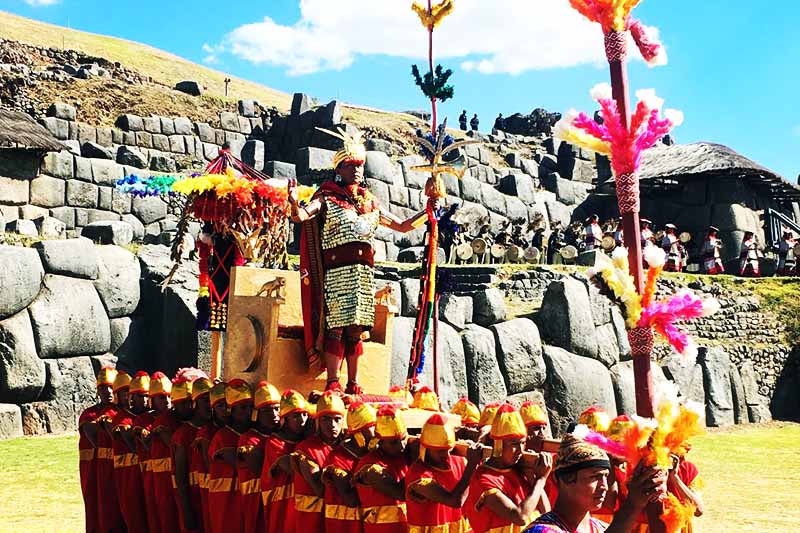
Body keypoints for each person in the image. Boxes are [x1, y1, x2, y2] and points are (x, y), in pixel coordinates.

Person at [290, 127, 431, 395]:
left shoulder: (371, 203)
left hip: (363, 276)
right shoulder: (326, 198)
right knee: (336, 328)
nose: (356, 170)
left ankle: (353, 382)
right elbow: (302, 216)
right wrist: (294, 203)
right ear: (339, 169)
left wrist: (428, 213)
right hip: (336, 273)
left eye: (360, 165)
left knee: (356, 330)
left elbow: (401, 226)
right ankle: (333, 381)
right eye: (350, 165)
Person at [524, 434, 668, 533]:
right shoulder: (541, 530)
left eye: (605, 476)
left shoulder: (601, 528)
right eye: (595, 477)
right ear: (564, 479)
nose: (604, 486)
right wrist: (632, 505)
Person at [465, 404, 552, 533]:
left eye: (523, 443)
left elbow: (547, 514)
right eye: (514, 444)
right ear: (498, 444)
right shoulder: (484, 478)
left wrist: (532, 477)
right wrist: (540, 480)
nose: (520, 450)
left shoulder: (521, 470)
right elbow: (520, 517)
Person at [406, 413, 482, 532]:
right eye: (440, 451)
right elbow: (455, 501)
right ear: (425, 448)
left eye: (448, 449)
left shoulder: (461, 462)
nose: (446, 455)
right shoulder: (418, 475)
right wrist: (472, 464)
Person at [293, 390, 346, 531]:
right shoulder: (306, 449)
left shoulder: (347, 448)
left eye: (337, 419)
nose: (332, 425)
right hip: (312, 520)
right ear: (317, 421)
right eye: (326, 419)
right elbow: (320, 490)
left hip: (340, 521)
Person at [354, 405, 410, 532]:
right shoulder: (370, 466)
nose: (401, 446)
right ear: (380, 441)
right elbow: (400, 493)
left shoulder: (401, 457)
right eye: (393, 442)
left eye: (403, 439)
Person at [323, 401, 377, 532]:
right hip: (344, 525)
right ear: (359, 431)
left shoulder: (372, 453)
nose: (378, 431)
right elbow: (351, 499)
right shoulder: (338, 458)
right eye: (373, 427)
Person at [208, 379, 253, 533]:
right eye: (242, 408)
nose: (247, 412)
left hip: (246, 498)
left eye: (250, 407)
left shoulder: (251, 434)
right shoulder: (222, 437)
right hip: (226, 502)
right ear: (231, 410)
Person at [262, 389, 310, 533]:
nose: (302, 421)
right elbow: (293, 469)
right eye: (295, 416)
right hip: (282, 504)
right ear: (285, 418)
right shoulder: (275, 442)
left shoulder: (306, 440)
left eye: (305, 415)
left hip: (303, 503)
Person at [78, 366, 118, 533]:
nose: (107, 391)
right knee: (95, 510)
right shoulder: (89, 415)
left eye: (111, 387)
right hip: (93, 471)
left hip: (116, 470)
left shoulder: (122, 413)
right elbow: (93, 436)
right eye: (103, 387)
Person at [238, 381, 281, 533]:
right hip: (256, 501)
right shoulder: (249, 439)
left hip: (278, 500)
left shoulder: (280, 436)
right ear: (258, 414)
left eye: (277, 409)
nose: (275, 415)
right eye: (269, 411)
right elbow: (260, 471)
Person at [110, 371, 150, 533]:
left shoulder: (151, 417)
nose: (145, 400)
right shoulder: (122, 418)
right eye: (140, 396)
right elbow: (134, 446)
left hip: (148, 473)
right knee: (134, 517)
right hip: (129, 474)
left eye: (147, 396)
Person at [173, 376, 212, 533]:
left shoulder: (212, 429)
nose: (210, 404)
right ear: (194, 403)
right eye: (204, 400)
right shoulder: (183, 435)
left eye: (211, 399)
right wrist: (187, 512)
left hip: (211, 499)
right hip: (194, 501)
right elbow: (180, 478)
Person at [193, 380, 228, 532]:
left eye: (228, 404)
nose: (226, 409)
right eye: (220, 406)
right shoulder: (206, 433)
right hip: (213, 491)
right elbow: (211, 467)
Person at [132, 373, 162, 533]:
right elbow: (145, 444)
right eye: (161, 398)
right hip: (149, 474)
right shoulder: (142, 421)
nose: (166, 402)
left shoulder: (174, 419)